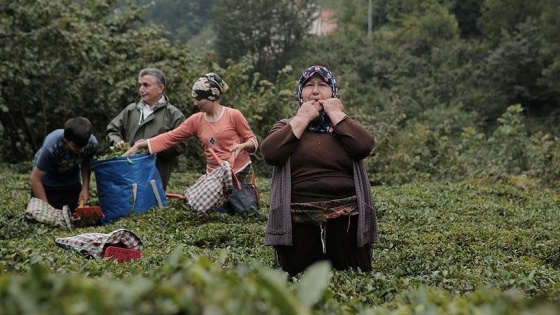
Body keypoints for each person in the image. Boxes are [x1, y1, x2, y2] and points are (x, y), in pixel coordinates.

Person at [261, 65, 378, 277]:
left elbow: (364, 146)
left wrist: (335, 113)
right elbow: (270, 154)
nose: (315, 91)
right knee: (295, 279)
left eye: (322, 85)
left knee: (354, 277)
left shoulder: (344, 125)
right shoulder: (286, 125)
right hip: (298, 220)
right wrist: (302, 119)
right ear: (300, 93)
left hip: (347, 218)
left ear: (333, 92)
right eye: (308, 86)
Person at [123, 72, 260, 217]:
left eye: (199, 99)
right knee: (218, 218)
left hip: (238, 173)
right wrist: (140, 145)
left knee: (248, 215)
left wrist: (243, 146)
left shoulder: (233, 115)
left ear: (211, 97)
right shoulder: (196, 120)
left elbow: (252, 139)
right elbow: (171, 137)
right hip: (215, 179)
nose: (195, 103)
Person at [106, 68, 188, 191]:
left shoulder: (173, 115)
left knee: (151, 206)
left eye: (146, 85)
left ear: (160, 88)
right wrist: (116, 141)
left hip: (156, 176)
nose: (141, 89)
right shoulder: (131, 110)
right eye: (139, 85)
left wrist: (152, 147)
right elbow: (112, 130)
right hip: (128, 174)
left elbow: (182, 144)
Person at [30, 117, 99, 211]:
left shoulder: (92, 144)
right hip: (48, 182)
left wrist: (85, 188)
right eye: (75, 147)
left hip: (71, 180)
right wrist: (47, 209)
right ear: (66, 140)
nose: (81, 150)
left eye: (84, 146)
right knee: (43, 216)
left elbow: (85, 163)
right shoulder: (52, 146)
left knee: (73, 214)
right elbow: (35, 178)